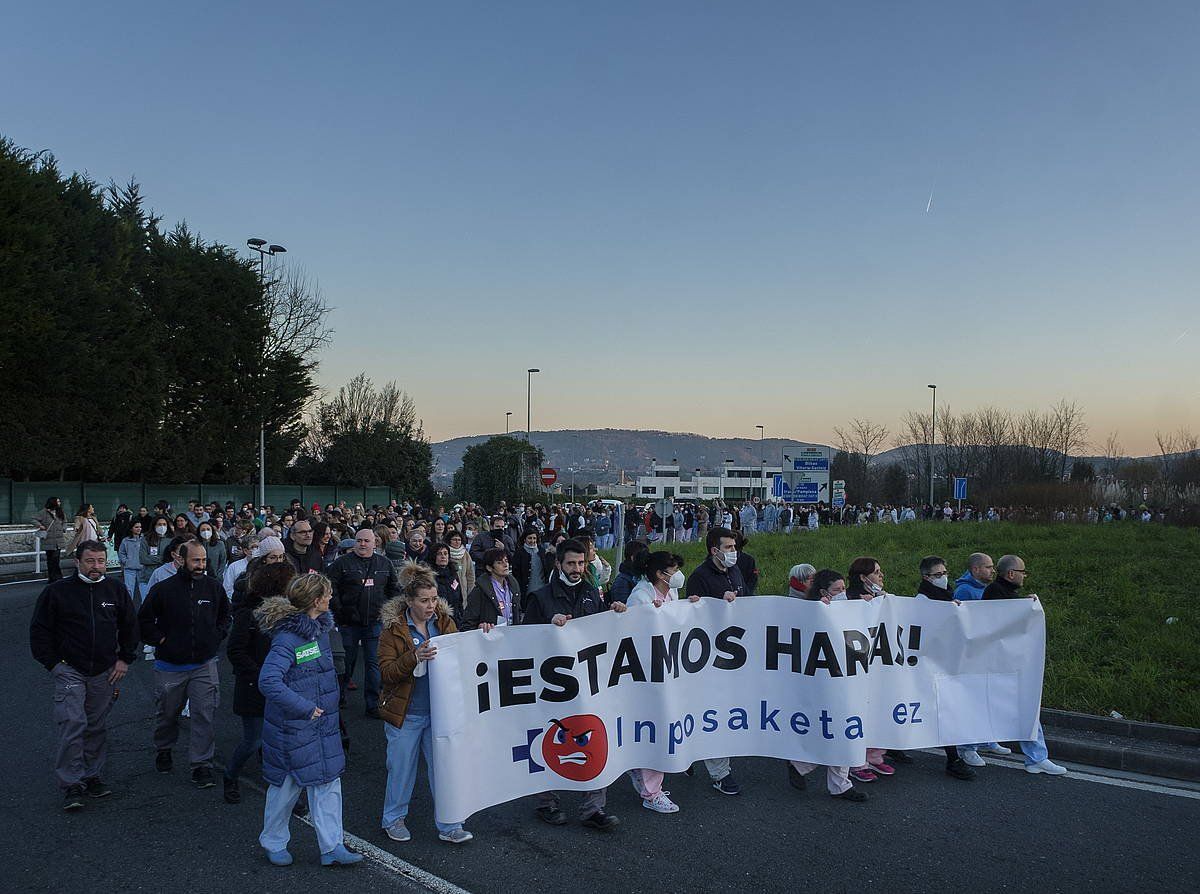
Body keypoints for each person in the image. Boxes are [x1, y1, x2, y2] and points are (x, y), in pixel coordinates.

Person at [256, 574, 362, 867]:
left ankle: (332, 847)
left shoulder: (319, 630)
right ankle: (273, 841)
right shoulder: (288, 638)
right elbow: (268, 681)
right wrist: (304, 708)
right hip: (294, 727)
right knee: (286, 788)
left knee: (328, 784)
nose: (331, 598)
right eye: (327, 594)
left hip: (321, 725)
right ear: (317, 601)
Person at [524, 539, 625, 830]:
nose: (577, 568)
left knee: (595, 736)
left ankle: (594, 808)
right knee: (551, 737)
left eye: (581, 563)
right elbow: (521, 641)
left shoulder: (592, 593)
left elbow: (602, 632)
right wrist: (547, 625)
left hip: (588, 681)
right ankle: (546, 801)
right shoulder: (540, 598)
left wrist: (614, 613)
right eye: (571, 563)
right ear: (558, 564)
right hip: (551, 684)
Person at [29, 540, 137, 810]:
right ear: (77, 562)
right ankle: (72, 783)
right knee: (72, 724)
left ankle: (93, 776)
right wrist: (54, 665)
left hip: (104, 671)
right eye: (90, 561)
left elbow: (129, 627)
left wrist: (124, 659)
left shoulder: (116, 589)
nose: (96, 567)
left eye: (101, 561)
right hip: (69, 671)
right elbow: (40, 632)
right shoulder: (57, 592)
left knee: (95, 725)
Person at [377, 564, 473, 843]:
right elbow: (386, 672)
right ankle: (393, 819)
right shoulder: (392, 630)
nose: (431, 605)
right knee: (400, 770)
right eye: (424, 600)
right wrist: (414, 657)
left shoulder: (444, 623)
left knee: (444, 770)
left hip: (440, 713)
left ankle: (451, 824)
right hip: (406, 714)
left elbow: (461, 658)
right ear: (409, 601)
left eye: (433, 599)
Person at [138, 539, 231, 788]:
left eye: (203, 560)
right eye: (195, 560)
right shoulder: (163, 589)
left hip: (204, 664)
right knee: (167, 715)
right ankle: (164, 748)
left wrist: (217, 635)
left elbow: (225, 616)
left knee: (204, 715)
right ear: (181, 560)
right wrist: (161, 639)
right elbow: (144, 620)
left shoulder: (213, 588)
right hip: (170, 666)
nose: (201, 565)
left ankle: (201, 765)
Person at [784, 570, 868, 802]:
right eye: (837, 590)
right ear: (823, 593)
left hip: (848, 678)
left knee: (847, 730)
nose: (843, 594)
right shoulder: (810, 613)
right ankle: (801, 764)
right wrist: (820, 613)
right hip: (822, 681)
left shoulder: (850, 610)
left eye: (844, 589)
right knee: (829, 729)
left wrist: (868, 608)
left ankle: (838, 783)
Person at [625, 550, 697, 814]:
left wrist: (690, 608)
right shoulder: (641, 597)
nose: (677, 575)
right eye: (673, 570)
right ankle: (651, 793)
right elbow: (633, 633)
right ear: (659, 573)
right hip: (646, 672)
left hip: (668, 668)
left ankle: (641, 774)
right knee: (655, 726)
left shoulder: (671, 593)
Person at [984, 555, 1067, 776]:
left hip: (1008, 663)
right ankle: (1035, 757)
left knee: (1016, 707)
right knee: (1018, 707)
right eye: (1022, 571)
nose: (1024, 576)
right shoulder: (995, 593)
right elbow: (998, 625)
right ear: (1011, 574)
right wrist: (1025, 608)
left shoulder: (1006, 594)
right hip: (1000, 664)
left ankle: (1035, 757)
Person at [223, 562, 297, 804]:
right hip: (255, 688)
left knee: (284, 741)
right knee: (253, 740)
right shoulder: (249, 614)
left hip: (285, 687)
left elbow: (304, 648)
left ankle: (288, 794)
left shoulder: (293, 613)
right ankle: (230, 774)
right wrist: (263, 676)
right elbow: (235, 651)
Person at [683, 527, 745, 795]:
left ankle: (686, 752)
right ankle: (721, 772)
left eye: (734, 547)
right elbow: (694, 617)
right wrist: (719, 604)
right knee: (713, 712)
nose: (734, 552)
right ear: (714, 550)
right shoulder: (699, 577)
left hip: (735, 652)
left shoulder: (735, 570)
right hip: (708, 657)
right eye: (729, 547)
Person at [913, 556, 977, 781]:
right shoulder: (922, 600)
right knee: (942, 712)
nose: (943, 578)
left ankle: (954, 758)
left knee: (944, 712)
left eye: (944, 573)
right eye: (938, 575)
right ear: (926, 577)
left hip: (947, 664)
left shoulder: (947, 596)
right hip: (930, 665)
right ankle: (953, 759)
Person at [328, 527, 401, 718]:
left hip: (375, 622)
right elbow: (330, 587)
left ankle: (373, 704)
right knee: (346, 662)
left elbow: (394, 590)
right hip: (348, 622)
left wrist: (388, 613)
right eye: (359, 540)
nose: (362, 544)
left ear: (375, 543)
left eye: (366, 541)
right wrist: (339, 611)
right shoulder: (342, 563)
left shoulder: (384, 563)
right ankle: (339, 696)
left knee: (374, 663)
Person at [951, 552, 1011, 766]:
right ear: (975, 569)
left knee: (987, 698)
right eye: (988, 567)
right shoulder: (965, 590)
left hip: (986, 651)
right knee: (973, 701)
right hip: (972, 654)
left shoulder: (986, 588)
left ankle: (987, 738)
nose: (992, 571)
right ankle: (967, 747)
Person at [461, 548, 523, 631]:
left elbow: (517, 613)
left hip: (512, 637)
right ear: (489, 568)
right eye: (499, 562)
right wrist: (479, 628)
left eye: (506, 561)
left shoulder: (514, 585)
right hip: (490, 639)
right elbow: (467, 624)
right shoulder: (479, 590)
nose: (505, 565)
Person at [511, 528, 552, 605]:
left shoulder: (542, 551)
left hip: (542, 589)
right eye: (530, 538)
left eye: (534, 538)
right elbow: (516, 573)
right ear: (524, 539)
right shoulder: (519, 553)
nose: (532, 541)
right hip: (526, 591)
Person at [428, 542, 466, 622]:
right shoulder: (428, 576)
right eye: (439, 554)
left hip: (455, 618)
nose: (443, 556)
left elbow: (460, 599)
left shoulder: (453, 573)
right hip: (436, 619)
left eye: (445, 554)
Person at [34, 497, 69, 582]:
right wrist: (40, 525)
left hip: (58, 540)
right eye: (58, 501)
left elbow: (65, 521)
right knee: (51, 560)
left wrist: (63, 528)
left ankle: (56, 577)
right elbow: (33, 519)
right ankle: (54, 577)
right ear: (53, 502)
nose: (59, 503)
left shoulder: (60, 512)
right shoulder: (43, 512)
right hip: (48, 539)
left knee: (55, 559)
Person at [609, 540, 648, 605]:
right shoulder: (622, 581)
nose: (646, 560)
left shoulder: (641, 575)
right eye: (644, 556)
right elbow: (622, 606)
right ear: (633, 557)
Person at [118, 519, 145, 604]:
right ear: (131, 528)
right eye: (136, 527)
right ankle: (128, 611)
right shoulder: (125, 540)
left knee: (144, 591)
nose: (139, 529)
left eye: (140, 527)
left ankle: (145, 611)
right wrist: (126, 561)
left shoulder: (145, 539)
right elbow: (121, 552)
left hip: (142, 569)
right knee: (129, 591)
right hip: (129, 569)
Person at [445, 529, 476, 597]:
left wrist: (470, 592)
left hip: (463, 590)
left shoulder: (465, 554)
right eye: (454, 539)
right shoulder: (445, 553)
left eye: (459, 540)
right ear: (449, 541)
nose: (457, 542)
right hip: (448, 590)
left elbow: (470, 574)